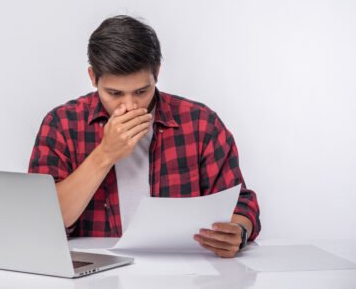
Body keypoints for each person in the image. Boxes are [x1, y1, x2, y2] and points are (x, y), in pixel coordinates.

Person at [29, 15, 260, 258]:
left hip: (184, 273)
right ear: (92, 77)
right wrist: (105, 154)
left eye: (141, 91)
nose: (129, 105)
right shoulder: (62, 125)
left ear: (156, 74)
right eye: (114, 93)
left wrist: (238, 232)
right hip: (95, 275)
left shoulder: (200, 123)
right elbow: (42, 221)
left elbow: (240, 203)